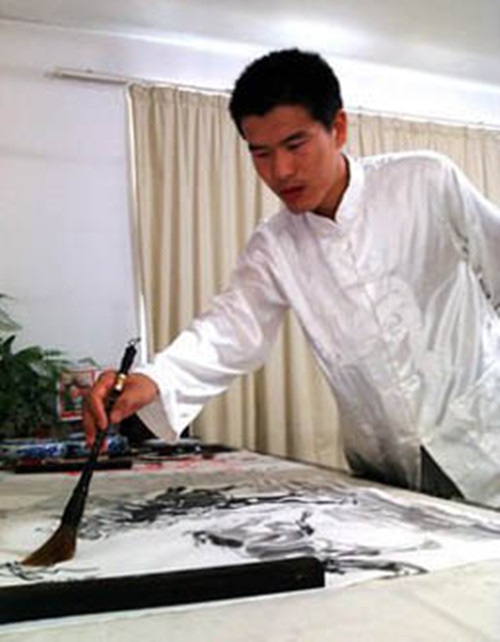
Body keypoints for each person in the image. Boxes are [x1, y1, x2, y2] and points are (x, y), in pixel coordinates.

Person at [84, 49, 500, 507]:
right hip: (386, 466)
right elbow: (229, 330)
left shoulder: (425, 180)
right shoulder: (275, 243)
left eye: (295, 145)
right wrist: (151, 380)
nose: (279, 171)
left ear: (337, 128)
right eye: (261, 153)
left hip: (485, 438)